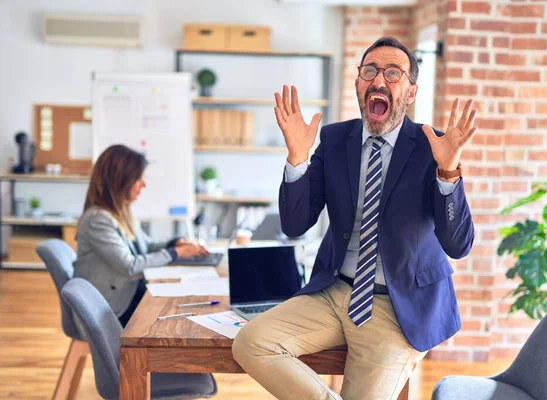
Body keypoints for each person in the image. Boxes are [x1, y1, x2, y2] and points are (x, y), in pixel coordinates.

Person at [232, 36, 477, 399]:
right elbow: (296, 224)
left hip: (399, 307)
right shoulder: (333, 140)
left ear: (410, 92)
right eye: (370, 70)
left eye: (393, 73)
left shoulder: (434, 147)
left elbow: (458, 245)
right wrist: (297, 159)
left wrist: (448, 173)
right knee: (251, 342)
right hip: (333, 292)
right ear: (359, 82)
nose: (379, 80)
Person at [73, 144, 209, 327]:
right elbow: (130, 267)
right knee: (176, 318)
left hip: (126, 295)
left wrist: (174, 244)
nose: (144, 184)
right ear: (119, 180)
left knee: (183, 308)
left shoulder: (121, 211)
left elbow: (146, 246)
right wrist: (176, 253)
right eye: (138, 178)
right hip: (111, 308)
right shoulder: (98, 220)